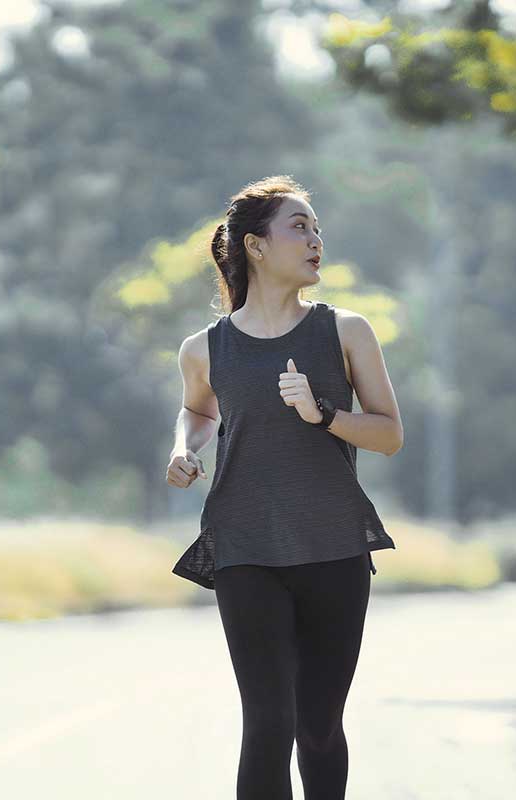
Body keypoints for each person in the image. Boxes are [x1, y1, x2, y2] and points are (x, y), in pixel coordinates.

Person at [166, 176, 403, 799]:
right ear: (256, 246)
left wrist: (324, 415)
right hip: (244, 546)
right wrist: (183, 449)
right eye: (300, 226)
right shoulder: (204, 348)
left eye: (317, 227)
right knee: (268, 722)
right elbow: (198, 411)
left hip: (333, 546)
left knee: (318, 726)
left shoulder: (345, 331)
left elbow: (388, 434)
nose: (316, 239)